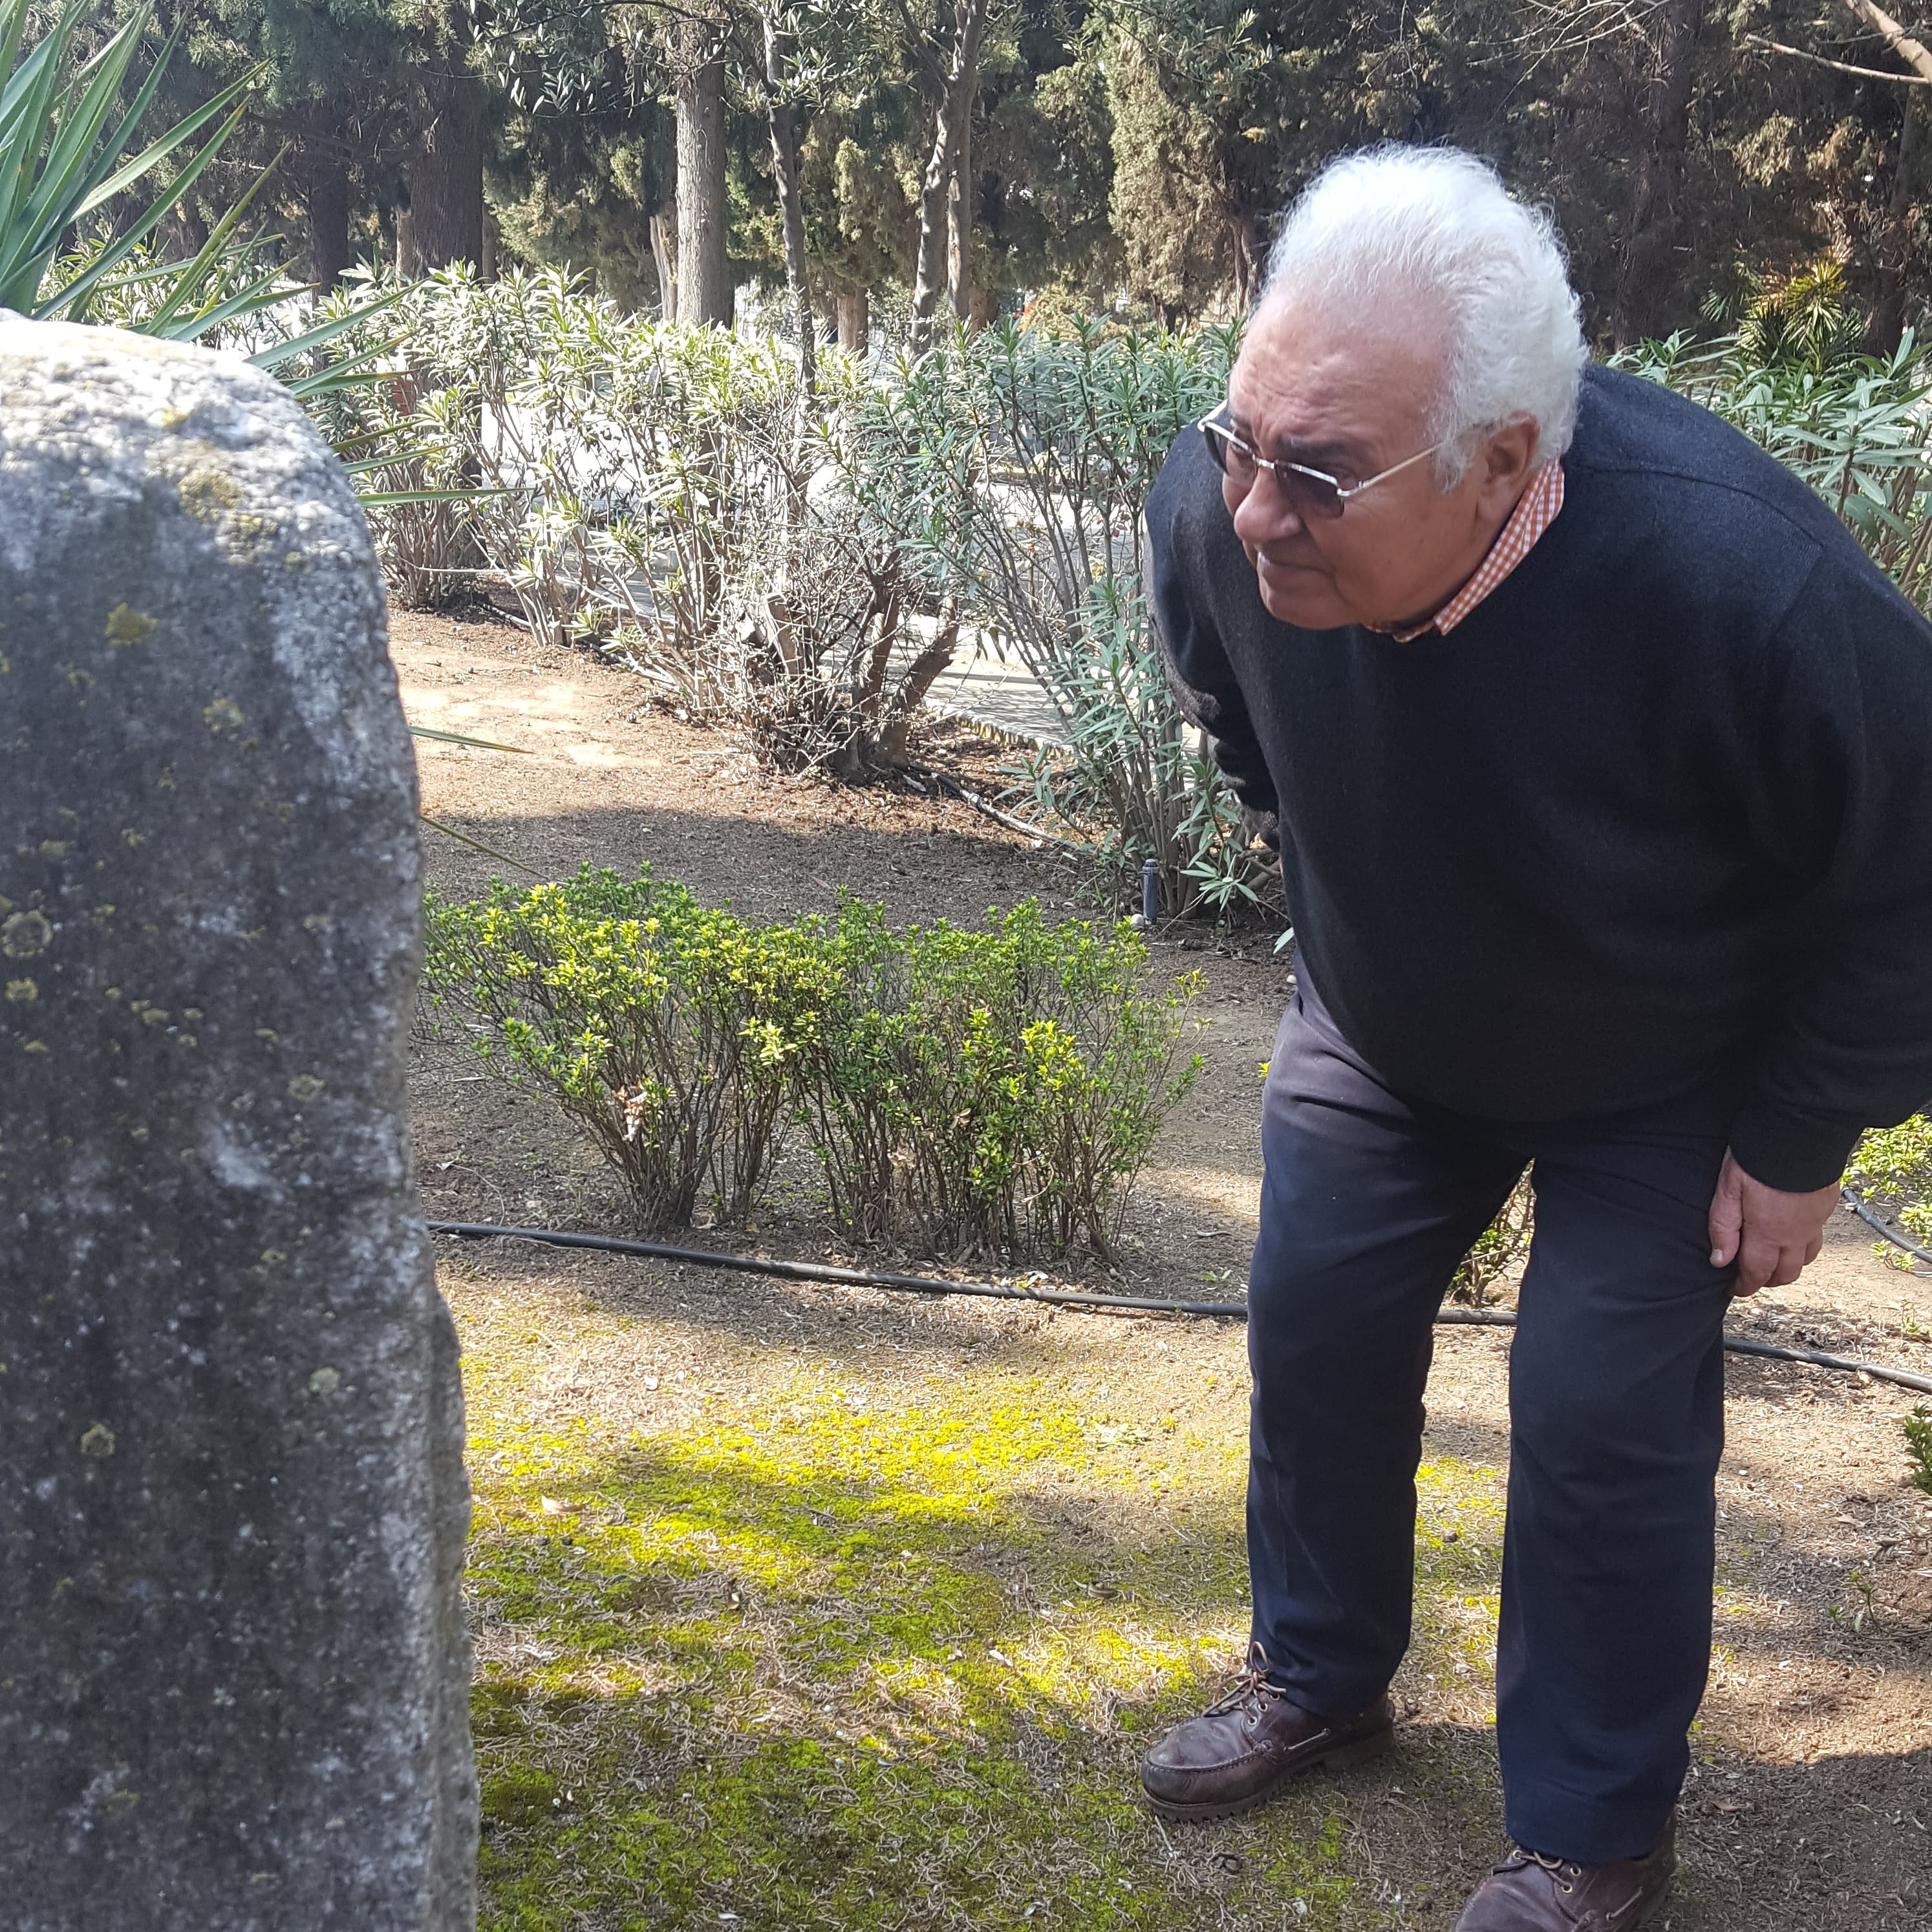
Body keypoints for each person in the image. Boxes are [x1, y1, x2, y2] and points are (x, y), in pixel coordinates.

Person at [1137, 145, 1932, 1931]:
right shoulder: (1225, 508)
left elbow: (1912, 872)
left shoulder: (1745, 583)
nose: (1257, 510)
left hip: (1668, 1061)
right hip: (1389, 1011)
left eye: (1318, 474)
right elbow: (1238, 721)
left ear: (1505, 458)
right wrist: (1345, 894)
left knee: (1596, 1408)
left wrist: (1807, 1130)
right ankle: (1321, 1670)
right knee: (1315, 1314)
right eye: (1238, 439)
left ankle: (1588, 1832)